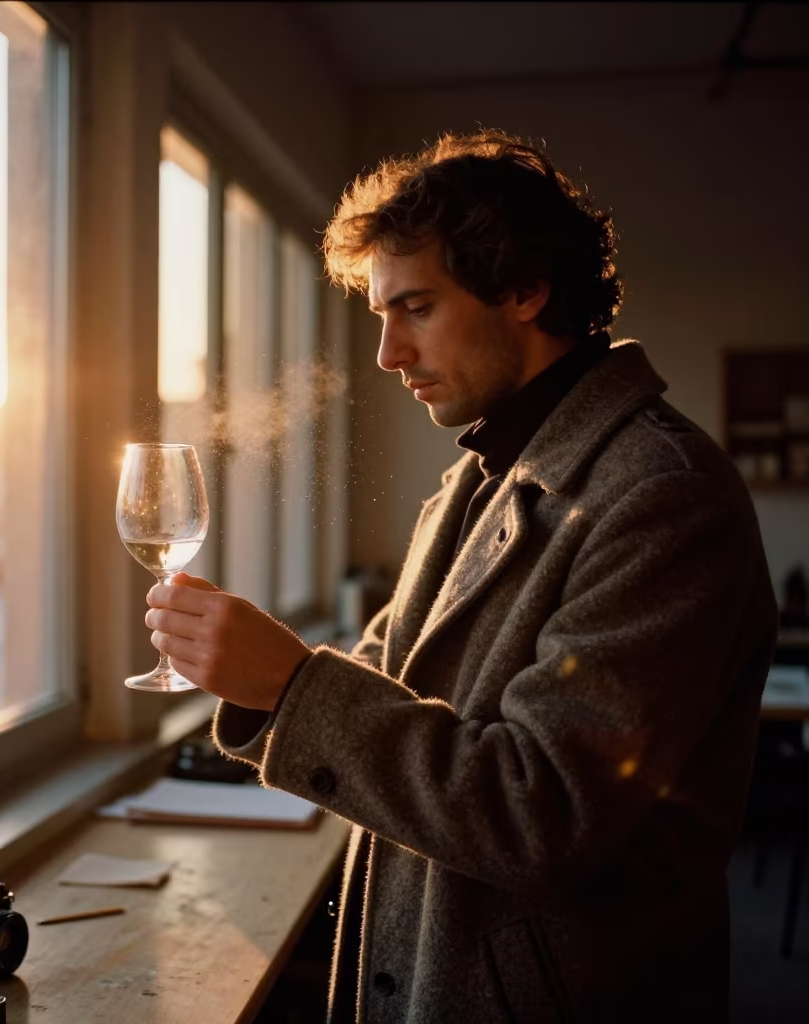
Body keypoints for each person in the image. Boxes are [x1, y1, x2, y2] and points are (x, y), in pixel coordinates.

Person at [145, 131, 777, 1023]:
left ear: (525, 290)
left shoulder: (662, 495)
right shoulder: (477, 478)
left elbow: (545, 813)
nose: (387, 353)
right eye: (381, 314)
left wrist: (286, 685)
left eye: (416, 308)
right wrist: (257, 677)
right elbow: (385, 679)